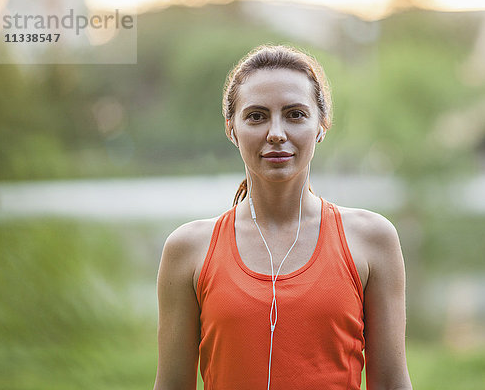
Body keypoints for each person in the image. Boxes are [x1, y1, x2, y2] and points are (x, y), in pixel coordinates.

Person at [153, 44, 412, 390]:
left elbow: (392, 383)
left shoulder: (372, 239)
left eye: (295, 114)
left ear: (321, 126)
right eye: (257, 116)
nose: (276, 133)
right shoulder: (187, 249)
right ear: (232, 129)